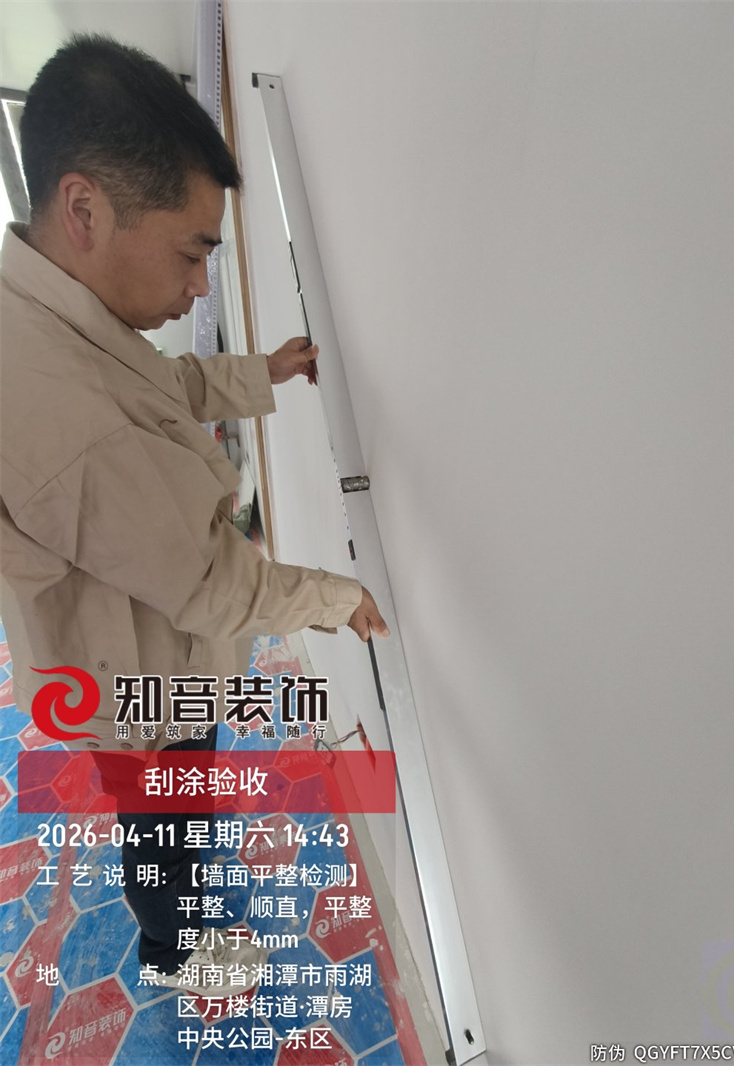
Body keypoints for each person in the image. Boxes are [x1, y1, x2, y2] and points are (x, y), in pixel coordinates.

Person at [0, 33, 388, 997]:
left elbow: (161, 387)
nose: (200, 285)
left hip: (139, 651)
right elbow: (210, 581)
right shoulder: (60, 406)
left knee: (173, 805)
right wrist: (333, 598)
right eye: (191, 253)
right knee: (162, 820)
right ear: (84, 207)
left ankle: (179, 914)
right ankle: (177, 953)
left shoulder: (54, 310)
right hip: (127, 680)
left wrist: (262, 372)